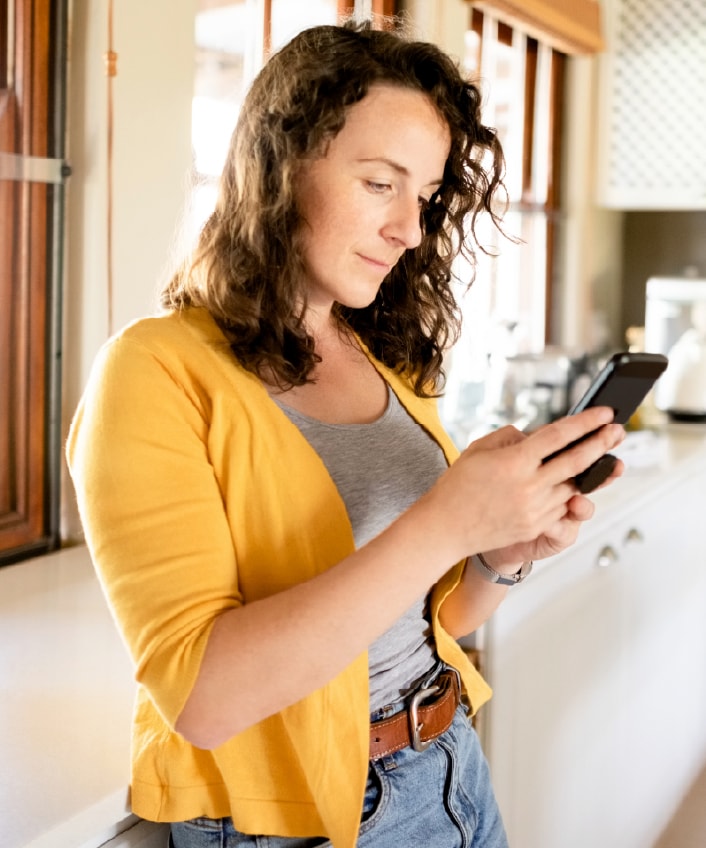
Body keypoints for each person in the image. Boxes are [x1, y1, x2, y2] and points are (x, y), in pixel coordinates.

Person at [66, 19, 625, 848]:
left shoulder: (380, 354)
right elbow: (204, 696)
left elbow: (429, 618)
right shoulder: (152, 372)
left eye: (426, 196)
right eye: (379, 184)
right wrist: (445, 521)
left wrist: (499, 555)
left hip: (450, 771)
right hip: (305, 822)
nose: (410, 228)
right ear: (280, 165)